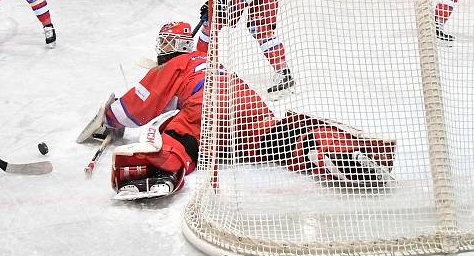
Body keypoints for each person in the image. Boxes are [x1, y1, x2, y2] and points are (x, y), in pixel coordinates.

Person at [78, 22, 396, 200]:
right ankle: (332, 144)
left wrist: (108, 119)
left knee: (175, 133)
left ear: (169, 47)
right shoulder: (210, 61)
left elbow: (136, 108)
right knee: (287, 136)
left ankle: (160, 168)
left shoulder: (175, 64)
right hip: (250, 111)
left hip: (210, 117)